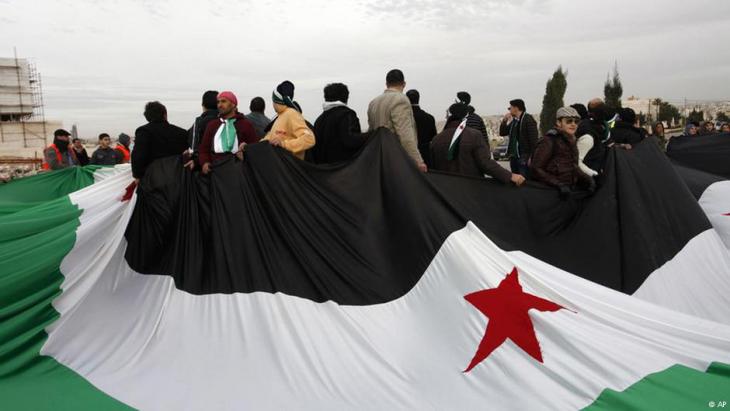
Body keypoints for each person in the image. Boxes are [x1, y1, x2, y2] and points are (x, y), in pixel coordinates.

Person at [431, 103, 525, 186]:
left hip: (445, 191)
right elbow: (485, 163)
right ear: (466, 117)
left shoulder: (436, 139)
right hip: (471, 189)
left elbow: (433, 168)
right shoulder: (474, 135)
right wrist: (510, 176)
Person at [367, 69, 426, 171]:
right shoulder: (401, 100)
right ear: (404, 83)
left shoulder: (373, 102)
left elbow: (371, 131)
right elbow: (405, 134)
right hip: (397, 160)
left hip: (379, 158)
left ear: (386, 84)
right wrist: (418, 161)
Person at [530, 107, 595, 198]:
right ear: (559, 123)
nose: (573, 124)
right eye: (569, 121)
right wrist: (558, 184)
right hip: (549, 192)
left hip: (567, 192)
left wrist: (588, 179)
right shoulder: (549, 140)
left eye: (576, 121)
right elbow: (536, 168)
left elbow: (573, 166)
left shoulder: (571, 140)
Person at [198, 91, 259, 174]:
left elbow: (255, 148)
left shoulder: (246, 124)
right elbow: (204, 149)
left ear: (233, 104)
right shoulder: (212, 125)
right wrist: (205, 162)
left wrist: (246, 150)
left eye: (223, 101)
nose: (220, 105)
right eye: (218, 102)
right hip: (216, 171)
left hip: (239, 172)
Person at [308, 83, 364, 164]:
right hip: (343, 169)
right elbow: (351, 140)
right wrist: (371, 135)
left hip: (323, 171)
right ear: (346, 97)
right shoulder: (347, 114)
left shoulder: (319, 120)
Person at [132, 101, 189, 180]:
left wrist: (137, 176)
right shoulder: (182, 132)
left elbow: (138, 156)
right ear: (165, 115)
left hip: (152, 179)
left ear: (147, 117)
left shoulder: (144, 131)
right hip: (178, 177)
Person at [262, 81, 316, 160]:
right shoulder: (280, 117)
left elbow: (309, 139)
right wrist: (250, 148)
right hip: (280, 166)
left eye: (272, 100)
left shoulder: (292, 114)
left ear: (276, 100)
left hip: (290, 168)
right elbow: (269, 139)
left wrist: (284, 145)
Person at [498, 99, 539, 177]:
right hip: (514, 157)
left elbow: (533, 140)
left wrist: (532, 157)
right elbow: (502, 133)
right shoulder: (514, 122)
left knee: (524, 182)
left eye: (510, 108)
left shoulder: (528, 119)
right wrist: (504, 121)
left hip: (524, 157)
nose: (509, 110)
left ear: (516, 108)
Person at [579, 98, 612, 175]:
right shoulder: (585, 128)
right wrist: (592, 173)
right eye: (600, 108)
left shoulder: (604, 126)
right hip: (587, 173)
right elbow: (578, 161)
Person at [406, 89, 437, 167]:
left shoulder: (404, 118)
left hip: (407, 157)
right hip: (425, 156)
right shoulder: (429, 118)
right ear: (418, 99)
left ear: (406, 99)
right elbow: (433, 138)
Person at [187, 90, 219, 162]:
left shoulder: (198, 122)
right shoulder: (226, 120)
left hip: (203, 163)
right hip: (224, 163)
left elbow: (193, 146)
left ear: (203, 105)